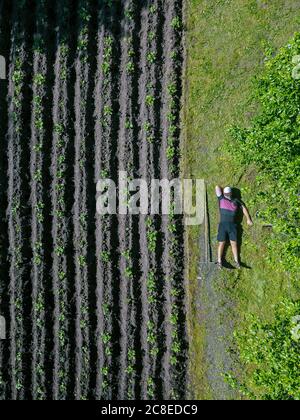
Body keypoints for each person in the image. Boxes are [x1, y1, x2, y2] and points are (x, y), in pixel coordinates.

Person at [216, 186, 253, 269]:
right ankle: (219, 261)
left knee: (234, 243)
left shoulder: (236, 200)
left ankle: (237, 262)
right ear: (224, 193)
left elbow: (243, 208)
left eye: (228, 193)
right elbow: (217, 187)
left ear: (231, 193)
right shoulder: (221, 198)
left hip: (233, 225)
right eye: (225, 194)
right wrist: (223, 189)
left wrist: (248, 219)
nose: (227, 195)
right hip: (223, 225)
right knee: (221, 243)